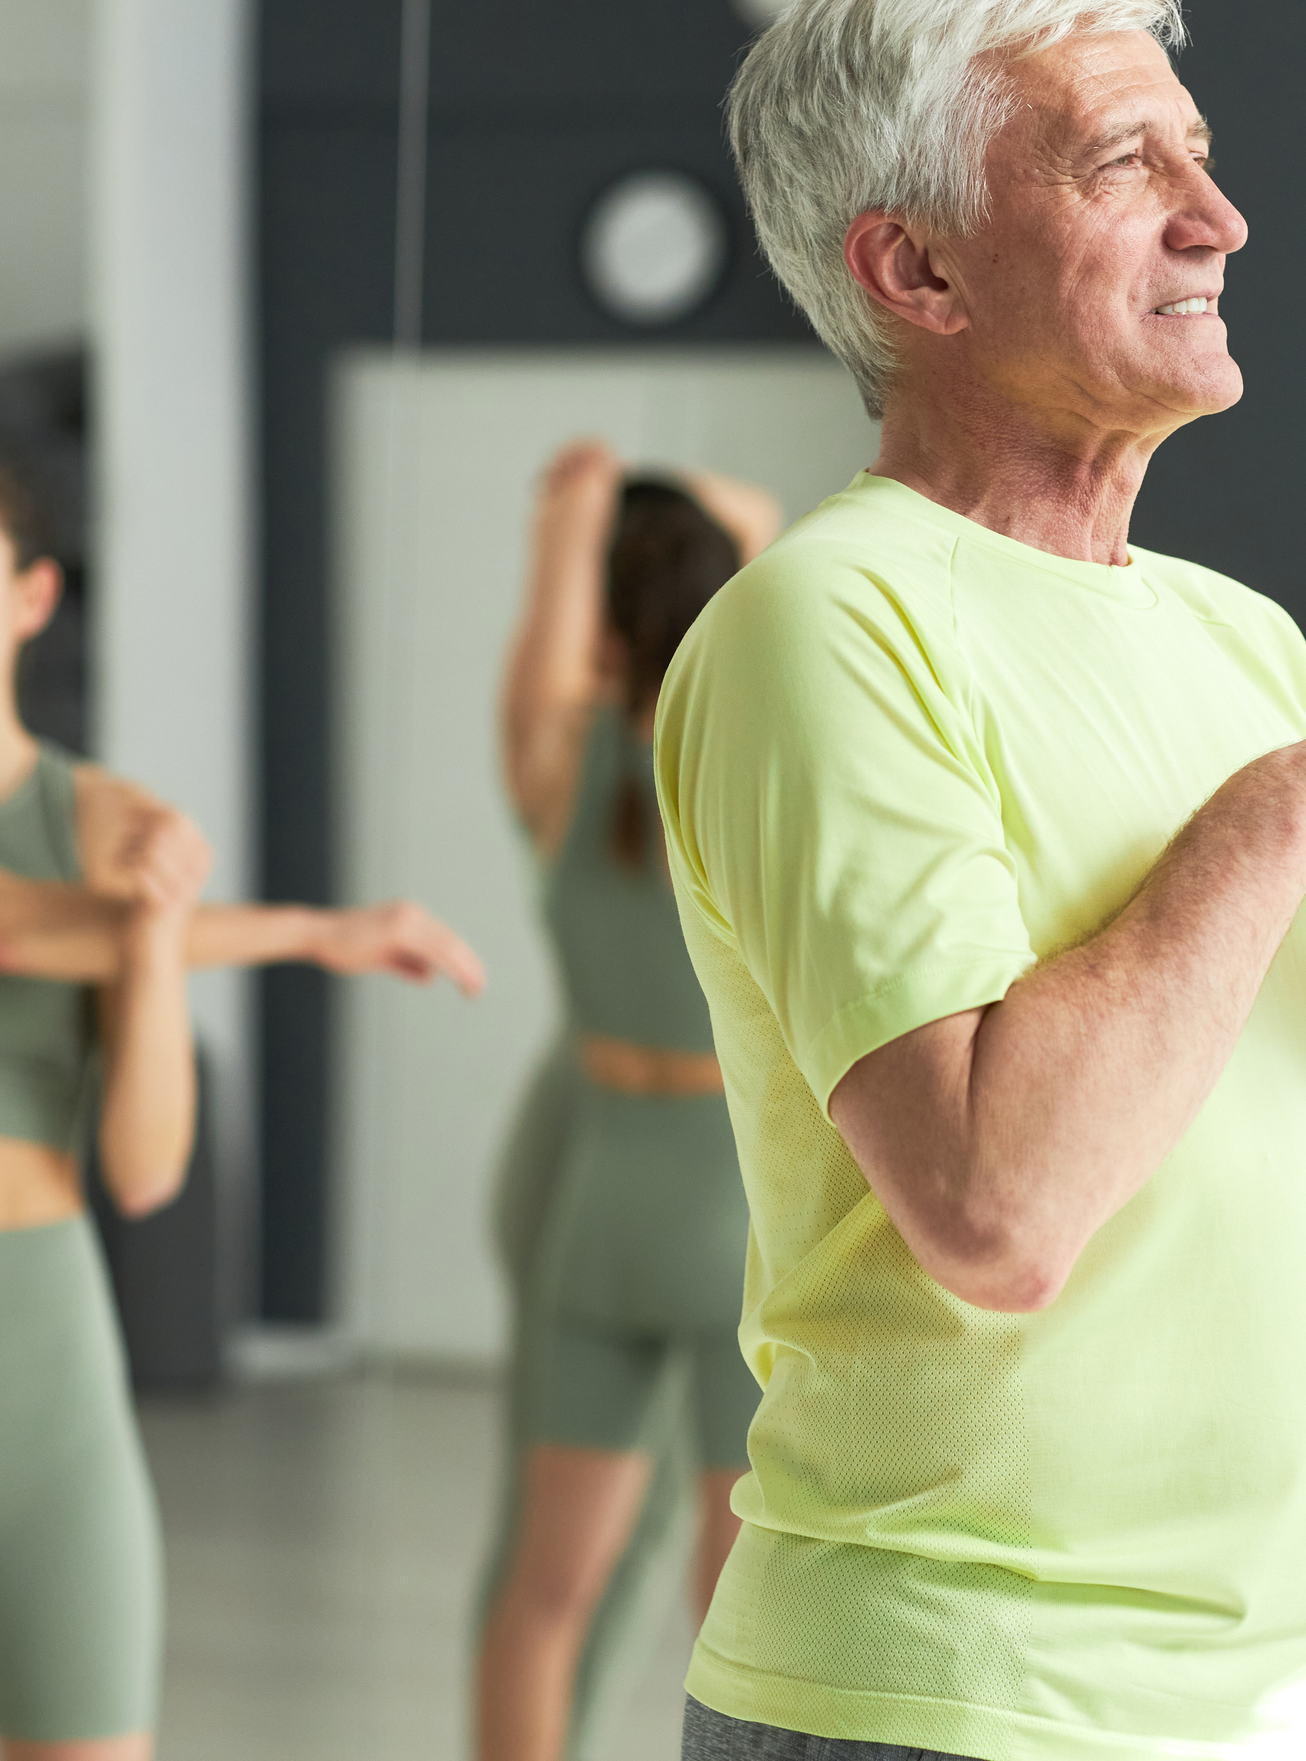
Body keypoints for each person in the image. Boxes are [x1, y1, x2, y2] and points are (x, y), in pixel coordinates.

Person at [653, 0, 1306, 1761]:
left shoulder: (1237, 637)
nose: (1222, 220)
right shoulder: (825, 627)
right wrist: (1283, 814)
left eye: (1201, 154)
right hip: (948, 1700)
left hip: (1246, 1703)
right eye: (1130, 164)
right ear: (921, 273)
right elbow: (995, 1214)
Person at [0, 443, 484, 1761]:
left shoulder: (105, 818)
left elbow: (149, 1169)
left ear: (33, 597)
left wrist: (159, 936)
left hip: (31, 1384)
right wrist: (306, 930)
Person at [476, 439, 780, 1761]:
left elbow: (554, 625)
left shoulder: (556, 766)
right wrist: (713, 528)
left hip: (599, 1209)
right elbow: (766, 556)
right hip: (742, 1215)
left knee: (543, 1597)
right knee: (741, 1618)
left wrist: (573, 514)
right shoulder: (767, 753)